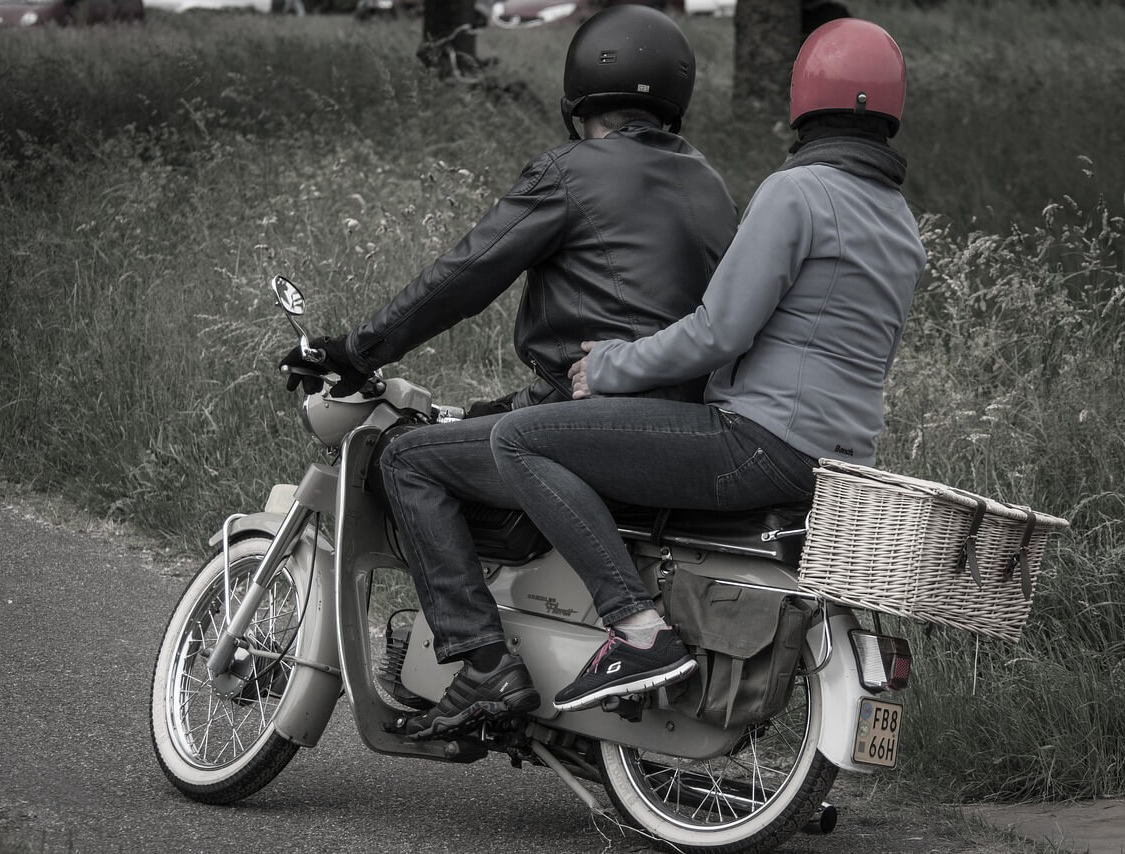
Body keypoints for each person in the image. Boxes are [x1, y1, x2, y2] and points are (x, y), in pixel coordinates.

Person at [278, 5, 738, 739]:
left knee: (408, 461)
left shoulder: (572, 171)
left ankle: (484, 661)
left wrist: (357, 349)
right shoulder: (709, 182)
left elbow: (464, 275)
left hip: (590, 413)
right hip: (681, 421)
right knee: (476, 422)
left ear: (579, 89)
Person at [489, 18, 927, 712]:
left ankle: (635, 632)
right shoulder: (899, 219)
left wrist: (612, 367)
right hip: (841, 462)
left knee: (518, 438)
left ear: (803, 100)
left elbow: (719, 329)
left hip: (758, 442)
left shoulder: (798, 192)